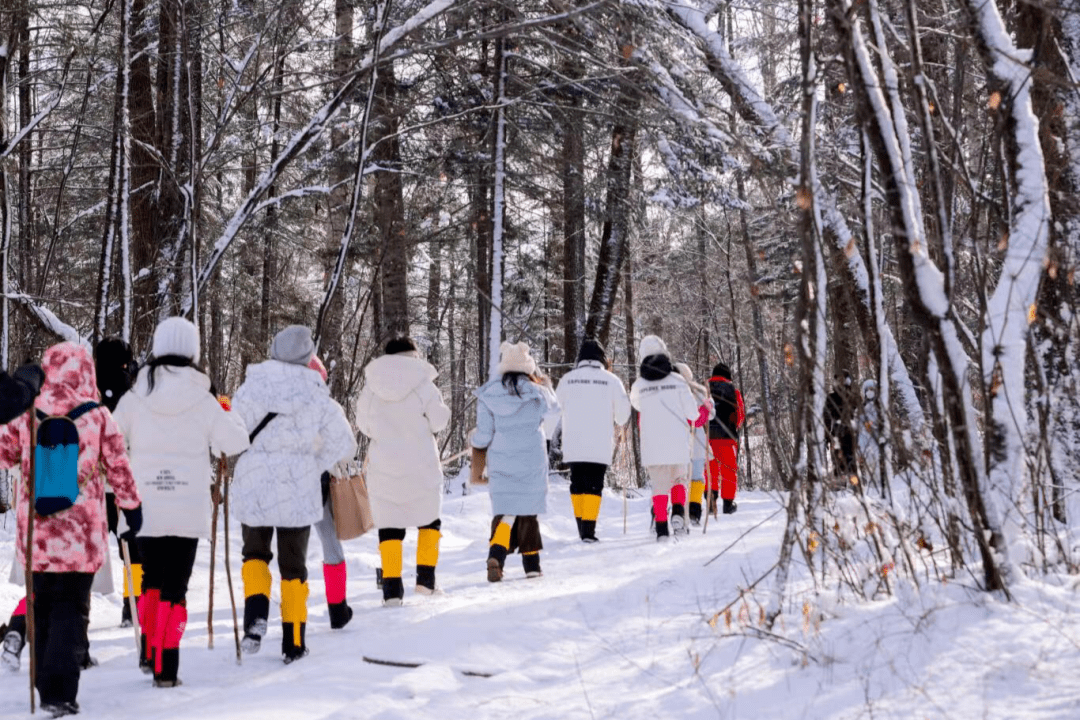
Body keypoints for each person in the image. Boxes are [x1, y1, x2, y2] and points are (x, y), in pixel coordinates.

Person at [0, 342, 143, 717]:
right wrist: (132, 507)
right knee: (71, 609)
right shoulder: (97, 416)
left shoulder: (28, 411)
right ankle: (59, 691)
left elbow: (3, 453)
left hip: (39, 536)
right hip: (81, 535)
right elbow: (119, 467)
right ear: (87, 371)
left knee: (42, 606)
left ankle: (44, 682)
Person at [112, 318, 250, 686]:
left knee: (151, 584)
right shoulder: (203, 398)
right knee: (175, 588)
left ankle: (151, 652)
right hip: (187, 507)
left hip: (144, 508)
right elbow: (236, 441)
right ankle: (166, 666)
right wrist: (225, 407)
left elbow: (110, 438)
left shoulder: (136, 394)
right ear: (194, 350)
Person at [230, 325, 356, 663]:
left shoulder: (251, 385)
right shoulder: (315, 391)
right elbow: (344, 442)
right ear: (307, 356)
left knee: (254, 553)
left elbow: (232, 432)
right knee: (293, 566)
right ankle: (294, 641)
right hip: (297, 487)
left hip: (255, 481)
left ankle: (256, 613)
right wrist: (313, 463)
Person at [355, 337, 451, 606]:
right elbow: (439, 421)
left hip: (384, 465)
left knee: (389, 528)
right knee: (429, 521)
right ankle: (426, 581)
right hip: (421, 464)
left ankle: (392, 591)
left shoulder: (372, 388)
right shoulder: (424, 384)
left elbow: (364, 425)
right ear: (413, 355)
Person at [472, 341, 560, 581]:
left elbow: (483, 436)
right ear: (527, 368)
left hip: (502, 461)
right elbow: (555, 409)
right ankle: (531, 565)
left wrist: (474, 442)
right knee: (528, 511)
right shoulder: (537, 392)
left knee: (505, 511)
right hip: (531, 458)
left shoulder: (489, 394)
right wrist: (545, 383)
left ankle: (496, 554)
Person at [555, 339, 630, 542]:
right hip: (600, 444)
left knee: (577, 484)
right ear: (601, 358)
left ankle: (582, 526)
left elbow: (553, 409)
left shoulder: (568, 379)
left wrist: (545, 435)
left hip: (573, 444)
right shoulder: (612, 380)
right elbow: (623, 416)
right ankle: (588, 530)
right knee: (594, 486)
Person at [629, 336, 701, 541]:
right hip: (678, 440)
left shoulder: (639, 385)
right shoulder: (678, 381)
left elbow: (637, 406)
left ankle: (661, 527)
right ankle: (678, 512)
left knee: (659, 486)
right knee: (679, 479)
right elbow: (693, 413)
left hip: (653, 444)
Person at [94, 337, 143, 627]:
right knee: (132, 547)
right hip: (125, 480)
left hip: (92, 483)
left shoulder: (89, 389)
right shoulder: (132, 393)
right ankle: (131, 607)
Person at [306, 355, 355, 627]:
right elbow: (349, 449)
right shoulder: (329, 408)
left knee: (288, 551)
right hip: (318, 484)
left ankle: (286, 612)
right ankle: (338, 611)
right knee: (330, 544)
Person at [673, 363, 713, 526]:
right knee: (696, 477)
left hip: (683, 444)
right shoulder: (697, 393)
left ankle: (683, 511)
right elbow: (706, 416)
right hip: (694, 443)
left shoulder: (675, 393)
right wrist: (709, 406)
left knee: (683, 478)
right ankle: (693, 511)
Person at [707, 362, 745, 515]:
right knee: (728, 471)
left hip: (707, 437)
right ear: (728, 376)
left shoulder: (704, 390)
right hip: (727, 438)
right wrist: (734, 426)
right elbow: (740, 415)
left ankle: (711, 502)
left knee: (710, 470)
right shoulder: (733, 391)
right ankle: (728, 504)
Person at [824, 372, 855, 486]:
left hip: (852, 432)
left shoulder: (853, 397)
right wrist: (826, 436)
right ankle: (839, 482)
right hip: (836, 433)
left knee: (852, 458)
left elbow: (860, 414)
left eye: (844, 381)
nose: (841, 384)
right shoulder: (830, 398)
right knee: (838, 457)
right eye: (838, 381)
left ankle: (855, 482)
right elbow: (826, 417)